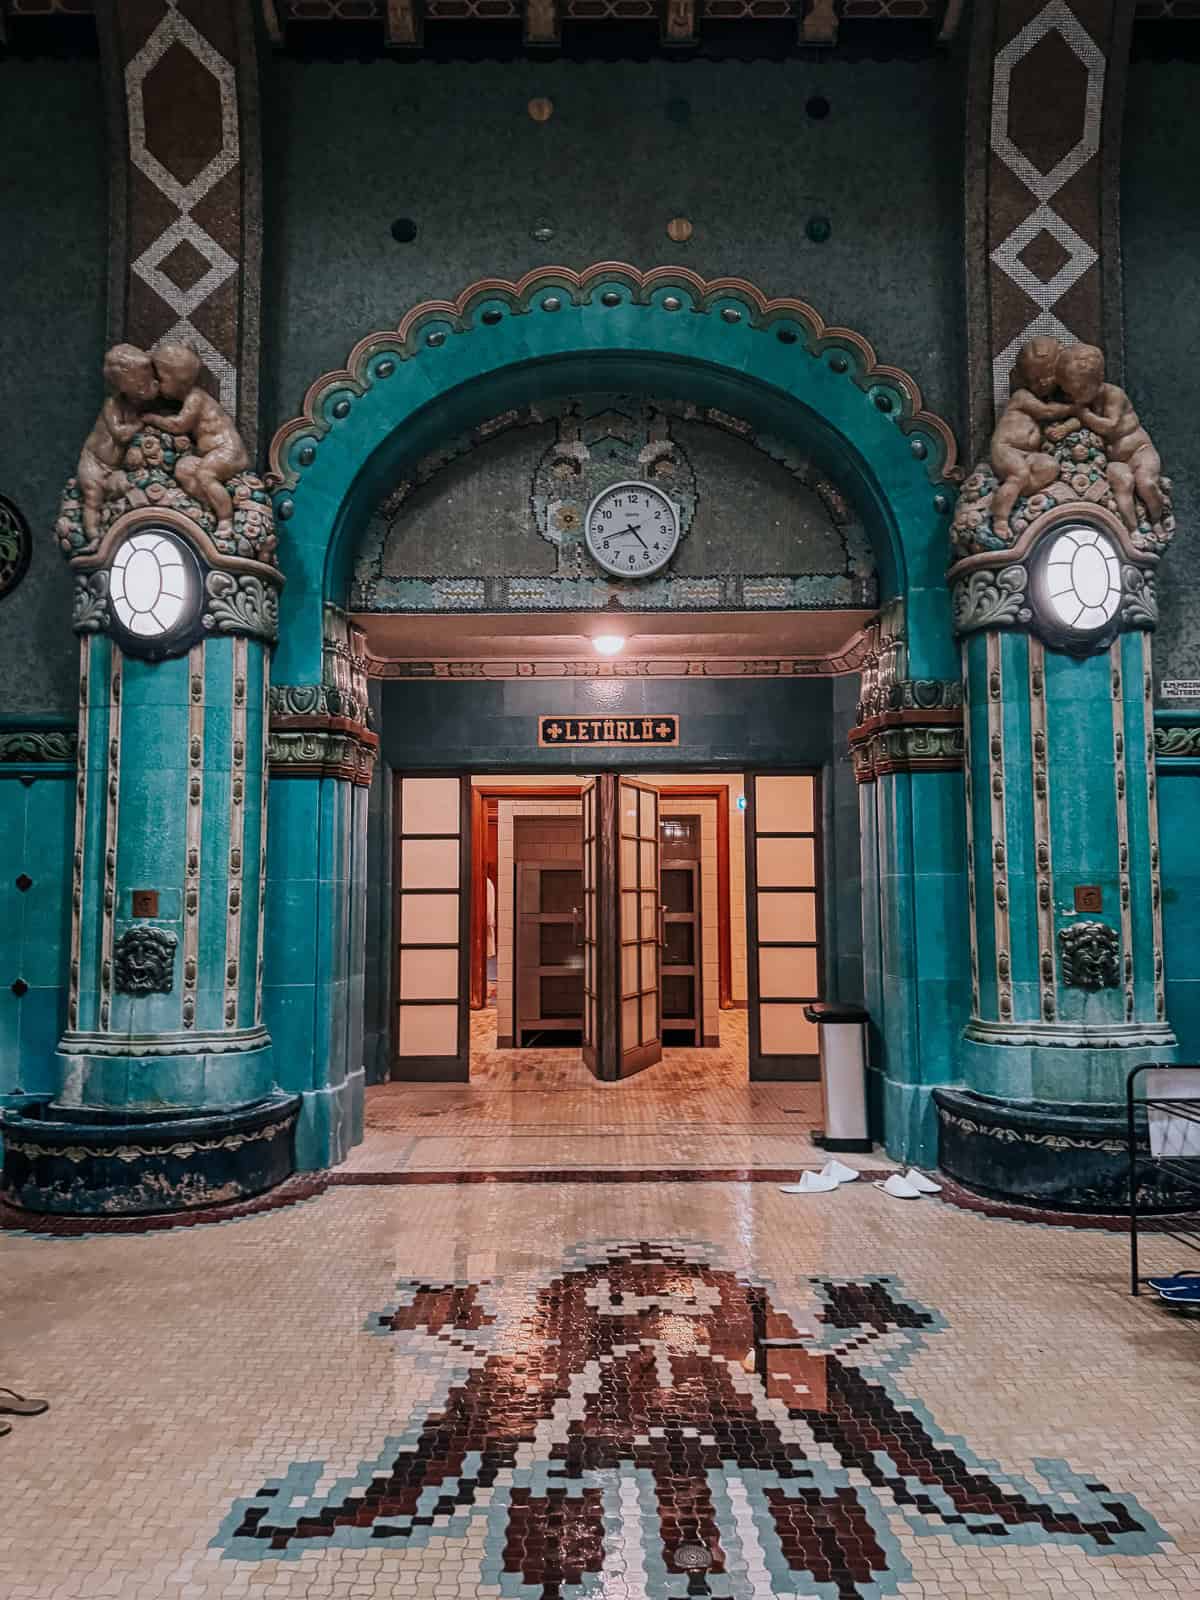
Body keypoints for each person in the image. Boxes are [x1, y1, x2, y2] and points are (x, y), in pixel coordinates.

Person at [1049, 342, 1166, 536]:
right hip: (1116, 461)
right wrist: (1064, 428)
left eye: (1080, 390)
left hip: (1140, 451)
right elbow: (1081, 420)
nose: (1075, 397)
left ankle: (1157, 519)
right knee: (1124, 484)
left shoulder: (1114, 395)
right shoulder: (1084, 404)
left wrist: (1082, 414)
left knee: (1146, 483)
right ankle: (1133, 531)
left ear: (1099, 379)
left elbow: (1109, 425)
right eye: (1071, 392)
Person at [142, 342, 249, 535]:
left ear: (177, 380)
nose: (158, 384)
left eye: (161, 379)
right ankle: (210, 505)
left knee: (205, 475)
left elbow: (179, 425)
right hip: (214, 454)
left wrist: (152, 418)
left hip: (228, 451)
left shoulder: (195, 398)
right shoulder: (190, 398)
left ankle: (226, 519)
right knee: (183, 468)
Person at [988, 335, 1078, 539]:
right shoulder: (1021, 396)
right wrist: (1076, 408)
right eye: (1035, 379)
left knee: (1050, 467)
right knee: (1018, 474)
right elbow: (1046, 412)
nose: (1043, 383)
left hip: (1026, 453)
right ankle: (1000, 517)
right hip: (1005, 449)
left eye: (1047, 375)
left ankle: (1017, 495)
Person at [75, 344, 159, 539]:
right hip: (94, 463)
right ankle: (93, 536)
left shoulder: (135, 405)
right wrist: (141, 423)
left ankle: (134, 527)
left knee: (129, 489)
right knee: (92, 499)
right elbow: (120, 434)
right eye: (139, 385)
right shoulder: (111, 404)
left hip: (114, 469)